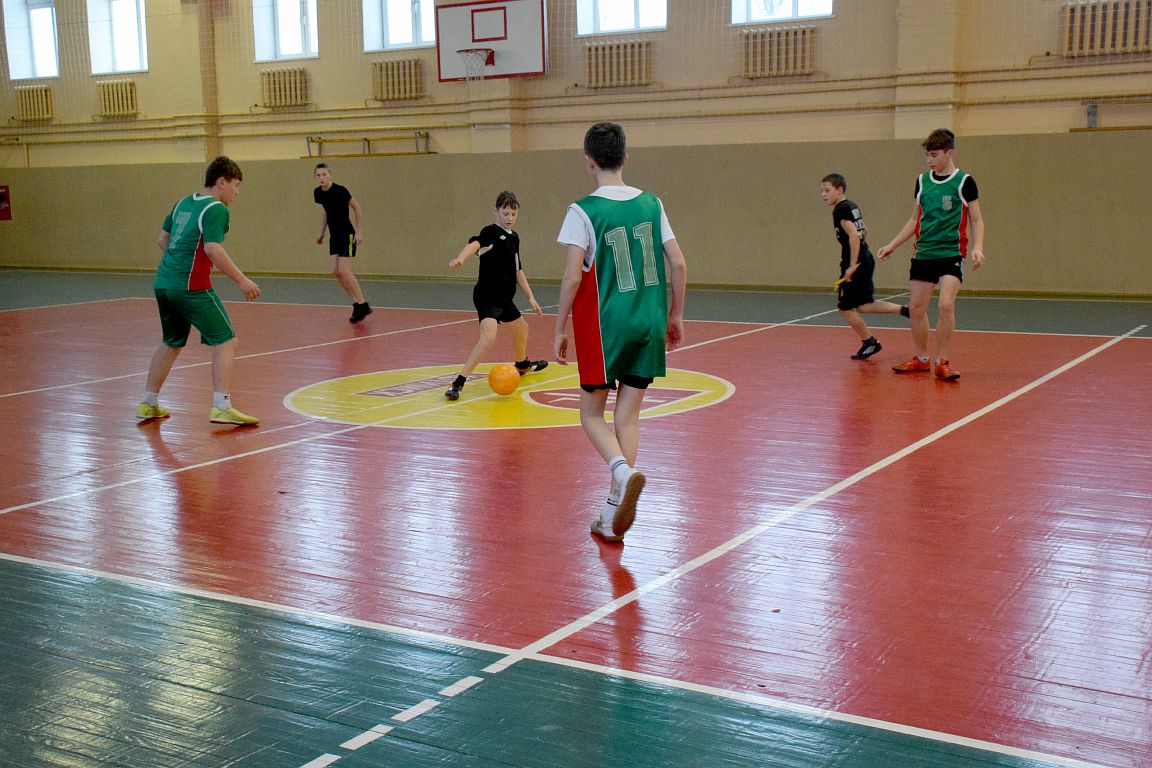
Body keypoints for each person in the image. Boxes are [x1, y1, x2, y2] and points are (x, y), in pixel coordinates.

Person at [554, 121, 688, 543]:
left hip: (605, 327)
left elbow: (572, 278)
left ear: (589, 161)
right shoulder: (652, 204)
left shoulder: (582, 211)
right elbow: (678, 263)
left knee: (590, 414)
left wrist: (559, 327)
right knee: (627, 417)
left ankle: (622, 472)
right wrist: (675, 316)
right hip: (648, 321)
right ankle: (613, 514)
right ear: (625, 157)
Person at [136, 156, 261, 425]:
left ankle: (148, 403)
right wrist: (242, 281)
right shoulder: (216, 208)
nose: (237, 192)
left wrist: (180, 260)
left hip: (164, 283)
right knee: (226, 341)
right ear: (221, 182)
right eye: (236, 185)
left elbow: (163, 239)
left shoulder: (183, 202)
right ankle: (221, 406)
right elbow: (213, 248)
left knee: (171, 342)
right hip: (191, 287)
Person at [877, 128, 985, 380]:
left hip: (951, 253)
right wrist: (893, 244)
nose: (929, 160)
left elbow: (976, 219)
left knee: (945, 305)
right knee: (916, 307)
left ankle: (943, 361)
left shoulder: (964, 182)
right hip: (924, 252)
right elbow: (914, 218)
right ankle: (922, 359)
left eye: (934, 155)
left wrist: (978, 247)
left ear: (949, 153)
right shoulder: (922, 181)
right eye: (927, 155)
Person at [444, 190, 549, 401]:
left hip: (504, 299)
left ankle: (522, 365)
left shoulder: (514, 238)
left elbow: (518, 270)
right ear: (496, 212)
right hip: (487, 296)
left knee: (522, 328)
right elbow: (475, 244)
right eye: (505, 213)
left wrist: (530, 297)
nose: (509, 218)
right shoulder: (491, 232)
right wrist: (461, 258)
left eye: (513, 214)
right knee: (488, 338)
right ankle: (458, 382)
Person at [820, 173, 909, 360]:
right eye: (823, 191)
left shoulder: (840, 209)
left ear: (840, 190)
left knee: (844, 308)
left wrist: (852, 264)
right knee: (862, 305)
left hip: (857, 263)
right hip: (865, 258)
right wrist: (861, 252)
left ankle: (870, 342)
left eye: (827, 190)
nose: (823, 194)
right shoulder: (851, 206)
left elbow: (854, 235)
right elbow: (864, 229)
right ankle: (905, 310)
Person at [314, 163, 372, 323]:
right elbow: (326, 212)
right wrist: (322, 232)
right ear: (315, 177)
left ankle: (363, 304)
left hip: (347, 235)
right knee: (335, 272)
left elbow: (357, 208)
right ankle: (358, 303)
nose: (322, 178)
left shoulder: (341, 191)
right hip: (334, 237)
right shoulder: (318, 193)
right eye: (318, 175)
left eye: (324, 174)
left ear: (330, 175)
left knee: (344, 271)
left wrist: (359, 232)